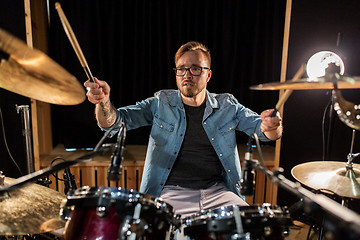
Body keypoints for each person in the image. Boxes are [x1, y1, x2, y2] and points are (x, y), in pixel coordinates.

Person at [84, 41, 282, 219]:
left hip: (219, 193)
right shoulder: (161, 103)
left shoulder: (228, 106)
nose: (187, 74)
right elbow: (114, 122)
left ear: (208, 74)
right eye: (181, 69)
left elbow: (265, 132)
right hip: (170, 194)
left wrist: (272, 126)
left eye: (195, 69)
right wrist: (103, 102)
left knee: (246, 226)